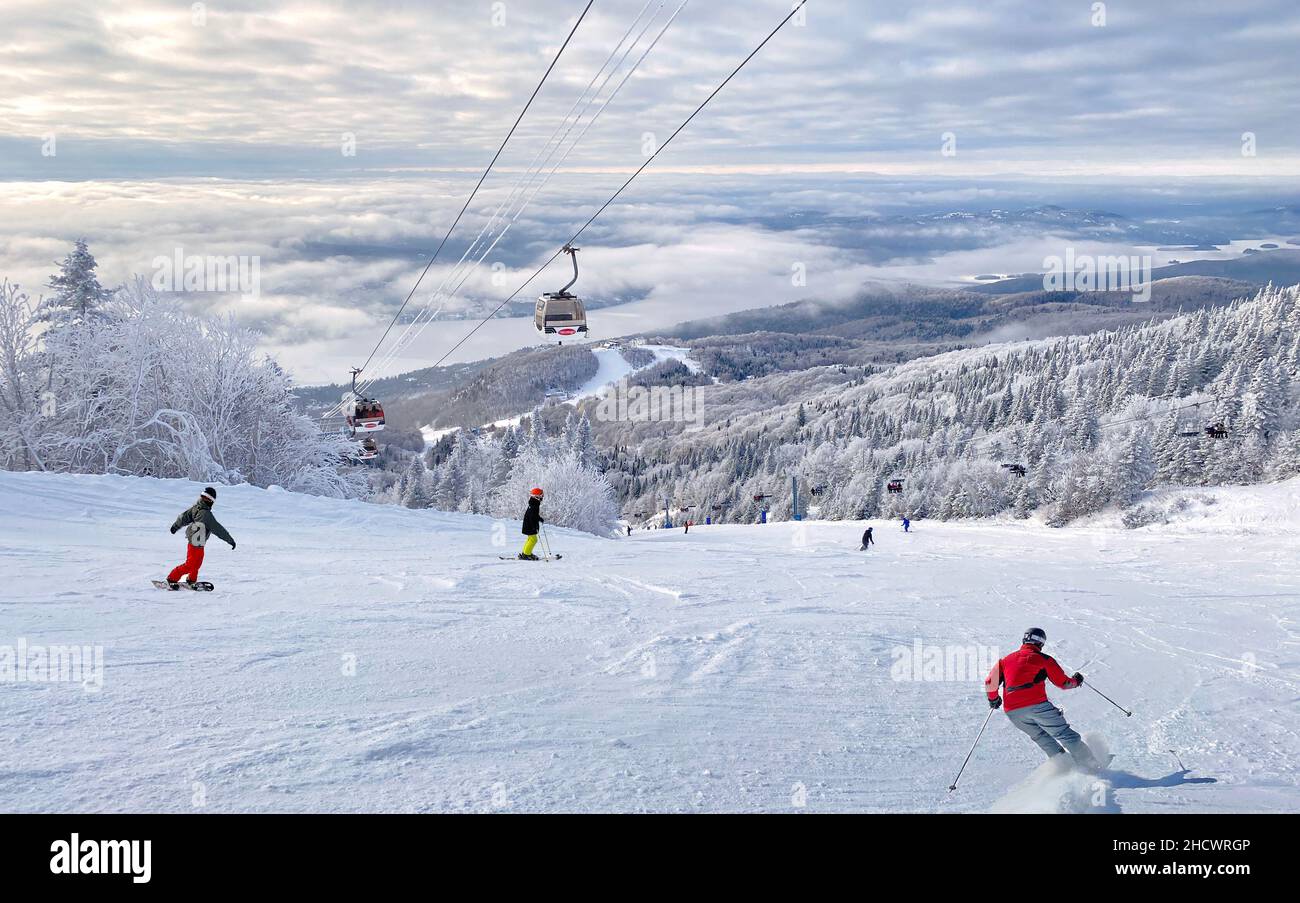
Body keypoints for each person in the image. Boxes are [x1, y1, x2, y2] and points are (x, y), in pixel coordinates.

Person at [984, 627, 1096, 769]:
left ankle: (1067, 768)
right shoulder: (1044, 659)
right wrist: (1076, 681)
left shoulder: (1005, 660)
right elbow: (1063, 683)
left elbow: (989, 682)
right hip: (1037, 706)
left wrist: (993, 699)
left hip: (1013, 712)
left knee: (1042, 738)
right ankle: (1092, 767)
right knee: (1064, 735)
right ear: (1041, 643)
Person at [166, 486, 235, 588]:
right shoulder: (205, 514)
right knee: (190, 565)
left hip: (199, 542)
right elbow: (218, 529)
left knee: (197, 563)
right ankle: (172, 578)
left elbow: (183, 517)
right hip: (195, 542)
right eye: (204, 497)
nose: (205, 499)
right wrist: (230, 540)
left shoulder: (197, 508)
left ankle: (191, 580)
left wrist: (176, 526)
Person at [519, 487, 544, 560]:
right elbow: (532, 517)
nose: (542, 497)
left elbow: (534, 515)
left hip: (528, 525)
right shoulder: (534, 505)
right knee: (534, 539)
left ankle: (525, 553)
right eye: (541, 495)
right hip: (530, 525)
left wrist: (539, 519)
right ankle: (526, 554)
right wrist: (534, 527)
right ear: (536, 496)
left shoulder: (533, 503)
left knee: (530, 539)